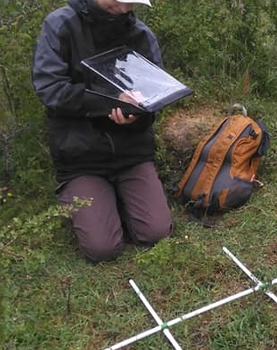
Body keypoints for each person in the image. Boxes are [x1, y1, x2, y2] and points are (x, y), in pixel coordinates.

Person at [31, 0, 173, 262]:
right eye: (118, 3)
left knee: (156, 232)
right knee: (102, 249)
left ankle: (118, 200)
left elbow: (153, 98)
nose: (124, 9)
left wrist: (136, 117)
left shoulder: (141, 34)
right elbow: (50, 89)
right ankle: (92, 198)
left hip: (132, 153)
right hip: (80, 157)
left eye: (131, 4)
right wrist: (110, 102)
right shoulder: (60, 25)